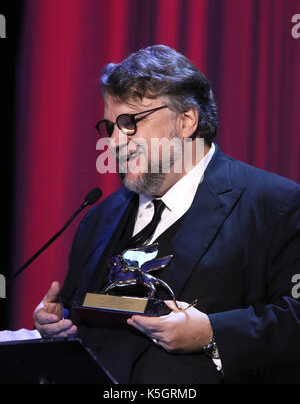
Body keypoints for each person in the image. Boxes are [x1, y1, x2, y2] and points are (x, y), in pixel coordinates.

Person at [33, 45, 300, 384]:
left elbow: (294, 320)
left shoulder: (276, 204)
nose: (115, 141)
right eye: (110, 126)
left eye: (130, 122)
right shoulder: (99, 218)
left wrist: (211, 333)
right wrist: (59, 326)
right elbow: (87, 318)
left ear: (186, 121)